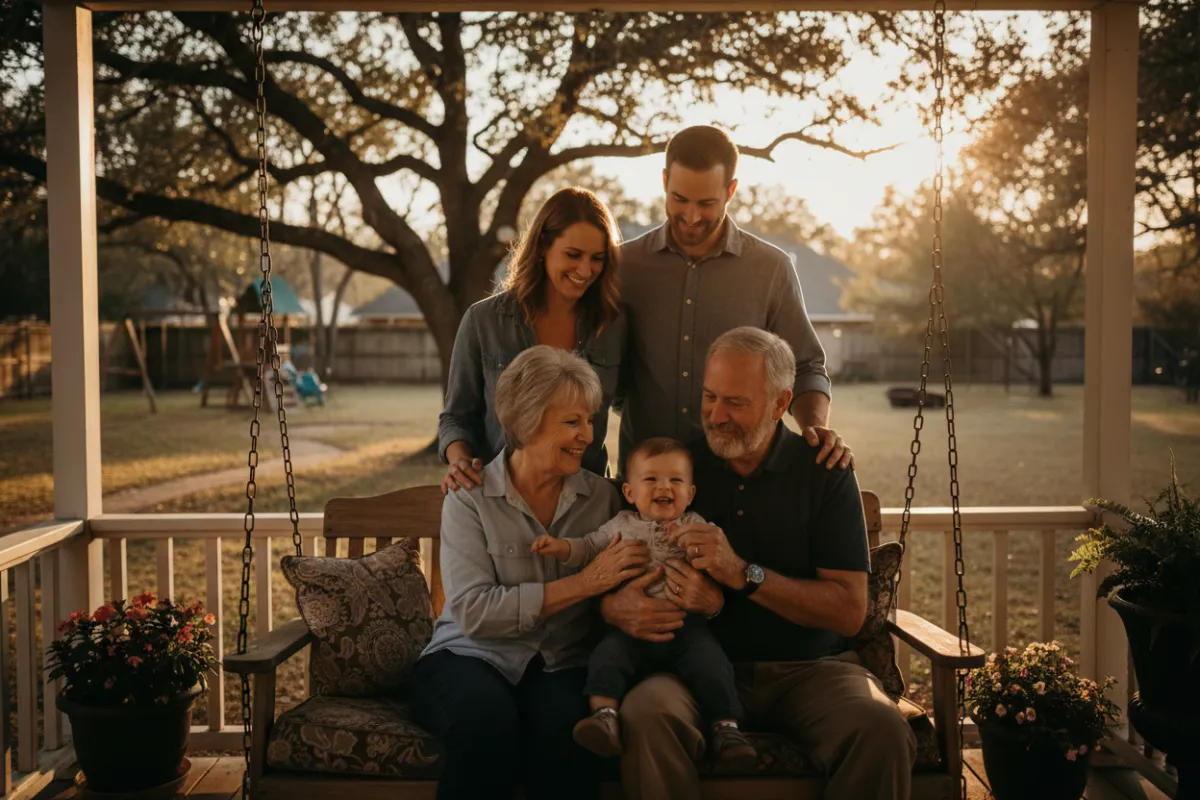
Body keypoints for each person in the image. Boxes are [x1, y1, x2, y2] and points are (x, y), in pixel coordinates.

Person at [603, 327, 917, 800]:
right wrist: (615, 605)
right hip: (695, 666)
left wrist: (742, 574)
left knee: (878, 726)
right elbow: (621, 549)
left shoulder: (823, 472)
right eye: (710, 397)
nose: (716, 416)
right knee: (646, 715)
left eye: (736, 403)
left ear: (780, 402)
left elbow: (850, 611)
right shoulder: (684, 465)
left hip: (809, 668)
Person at [408, 346, 652, 800]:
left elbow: (631, 574)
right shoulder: (469, 498)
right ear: (526, 421)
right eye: (571, 421)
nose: (587, 435)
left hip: (562, 660)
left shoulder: (604, 499)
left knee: (567, 737)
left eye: (590, 420)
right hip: (469, 655)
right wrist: (584, 583)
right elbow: (475, 614)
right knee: (485, 725)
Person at [616, 125, 852, 475]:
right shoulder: (624, 266)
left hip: (741, 484)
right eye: (680, 199)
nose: (692, 216)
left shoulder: (771, 268)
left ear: (731, 191)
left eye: (706, 203)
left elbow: (805, 367)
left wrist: (814, 428)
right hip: (647, 487)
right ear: (664, 181)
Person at [529, 437, 755, 769]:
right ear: (630, 492)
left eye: (675, 480)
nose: (664, 486)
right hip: (629, 630)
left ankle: (727, 729)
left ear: (690, 493)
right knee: (607, 657)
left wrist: (696, 550)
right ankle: (603, 717)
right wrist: (561, 547)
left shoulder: (695, 524)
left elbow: (717, 561)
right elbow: (589, 547)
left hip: (685, 627)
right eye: (651, 479)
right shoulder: (622, 525)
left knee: (712, 663)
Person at [439, 187, 626, 493]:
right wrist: (458, 460)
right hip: (500, 500)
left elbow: (632, 406)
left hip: (585, 504)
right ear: (542, 246)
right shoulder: (483, 321)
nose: (585, 270)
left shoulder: (613, 324)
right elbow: (456, 416)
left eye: (597, 259)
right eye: (573, 255)